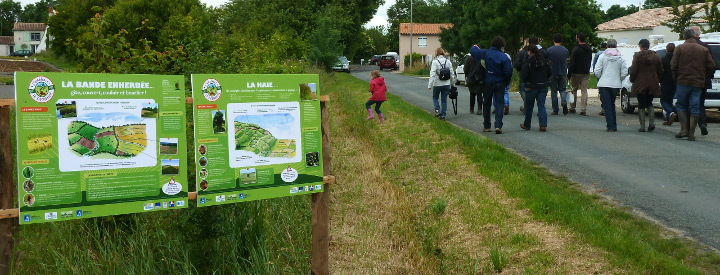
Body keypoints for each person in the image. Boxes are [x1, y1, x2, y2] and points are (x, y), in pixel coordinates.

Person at [671, 28, 716, 141]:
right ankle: (691, 133)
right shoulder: (703, 49)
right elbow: (711, 65)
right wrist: (704, 75)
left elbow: (673, 65)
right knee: (695, 106)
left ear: (684, 37)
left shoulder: (679, 48)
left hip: (683, 81)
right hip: (698, 82)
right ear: (694, 36)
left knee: (681, 105)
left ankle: (684, 130)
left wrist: (676, 77)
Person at [473, 37, 513, 134]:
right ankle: (498, 125)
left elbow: (473, 52)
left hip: (487, 82)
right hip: (500, 82)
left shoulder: (485, 53)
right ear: (502, 46)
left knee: (486, 104)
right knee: (499, 104)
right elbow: (508, 71)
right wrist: (506, 82)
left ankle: (487, 126)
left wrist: (474, 46)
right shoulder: (504, 57)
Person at [594, 39, 628, 132]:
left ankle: (610, 126)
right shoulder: (620, 58)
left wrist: (601, 77)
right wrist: (619, 78)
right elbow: (624, 71)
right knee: (612, 104)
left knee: (607, 104)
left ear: (607, 46)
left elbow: (597, 71)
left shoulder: (602, 56)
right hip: (615, 84)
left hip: (604, 83)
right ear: (616, 46)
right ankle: (614, 124)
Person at [630, 39, 663, 132]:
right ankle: (651, 123)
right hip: (652, 82)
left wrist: (632, 79)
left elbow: (634, 69)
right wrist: (657, 79)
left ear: (640, 46)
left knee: (641, 103)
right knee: (649, 102)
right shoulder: (656, 56)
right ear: (648, 46)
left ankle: (642, 126)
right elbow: (660, 70)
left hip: (640, 82)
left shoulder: (637, 56)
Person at [691, 26, 716, 136]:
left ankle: (689, 128)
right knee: (700, 103)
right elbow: (712, 64)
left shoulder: (685, 46)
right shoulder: (706, 46)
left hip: (689, 80)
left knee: (689, 103)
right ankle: (702, 123)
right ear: (699, 34)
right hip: (703, 79)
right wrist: (708, 75)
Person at [520, 46, 551, 131]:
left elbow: (524, 75)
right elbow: (549, 72)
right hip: (543, 85)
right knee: (541, 105)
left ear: (529, 52)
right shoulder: (544, 61)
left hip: (531, 86)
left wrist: (526, 83)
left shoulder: (528, 62)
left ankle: (527, 124)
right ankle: (543, 124)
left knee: (529, 106)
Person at [514, 37, 544, 114]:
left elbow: (517, 64)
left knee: (523, 89)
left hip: (524, 73)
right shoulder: (542, 51)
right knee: (536, 91)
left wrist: (520, 70)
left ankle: (527, 104)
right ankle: (535, 108)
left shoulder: (522, 52)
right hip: (539, 75)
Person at [568, 32, 593, 115]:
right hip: (585, 71)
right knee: (584, 91)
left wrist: (569, 74)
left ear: (578, 38)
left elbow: (572, 62)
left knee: (574, 89)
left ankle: (572, 107)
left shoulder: (576, 49)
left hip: (576, 72)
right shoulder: (589, 48)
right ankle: (583, 109)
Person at [428, 47, 456, 120]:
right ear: (443, 53)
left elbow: (432, 74)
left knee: (435, 97)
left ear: (436, 53)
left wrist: (430, 84)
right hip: (446, 84)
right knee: (444, 100)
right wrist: (453, 84)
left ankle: (437, 110)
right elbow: (452, 74)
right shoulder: (448, 61)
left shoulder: (435, 62)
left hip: (437, 83)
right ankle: (443, 115)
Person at [546, 33, 569, 115]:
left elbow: (547, 62)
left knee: (554, 91)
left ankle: (555, 109)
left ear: (553, 40)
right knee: (562, 89)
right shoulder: (565, 50)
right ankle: (564, 101)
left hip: (553, 72)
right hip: (562, 72)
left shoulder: (549, 50)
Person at [660, 43, 677, 126]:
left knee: (663, 100)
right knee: (670, 100)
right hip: (675, 82)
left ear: (667, 50)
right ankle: (668, 119)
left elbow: (660, 71)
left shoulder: (663, 59)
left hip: (665, 82)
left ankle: (670, 112)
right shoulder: (677, 59)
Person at [464, 45, 483, 115]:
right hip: (479, 79)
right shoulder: (481, 58)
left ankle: (471, 109)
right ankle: (479, 109)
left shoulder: (469, 59)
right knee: (479, 94)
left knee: (472, 94)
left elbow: (465, 69)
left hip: (471, 79)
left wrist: (467, 75)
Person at [594, 42, 608, 116]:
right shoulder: (610, 54)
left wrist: (597, 75)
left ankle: (603, 107)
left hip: (601, 76)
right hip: (609, 76)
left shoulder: (598, 54)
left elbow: (595, 66)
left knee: (602, 93)